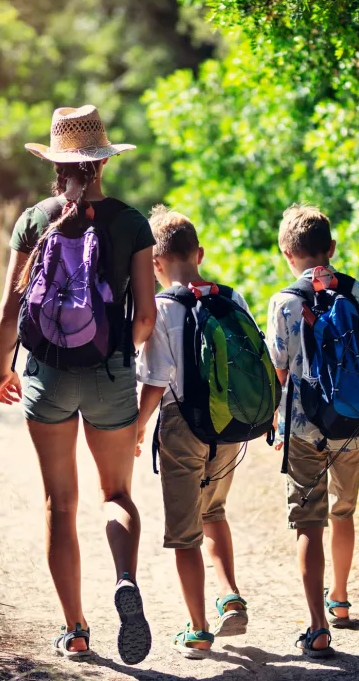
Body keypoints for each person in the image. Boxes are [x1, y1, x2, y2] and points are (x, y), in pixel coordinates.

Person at [0, 105, 156, 665]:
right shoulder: (133, 223)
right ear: (103, 162)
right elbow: (146, 320)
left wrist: (4, 370)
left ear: (56, 164)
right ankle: (126, 579)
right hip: (109, 375)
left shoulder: (33, 219)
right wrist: (117, 358)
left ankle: (77, 630)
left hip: (47, 377)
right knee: (117, 495)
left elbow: (8, 311)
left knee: (60, 505)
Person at [134, 207, 258, 658]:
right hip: (229, 429)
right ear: (199, 253)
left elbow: (155, 378)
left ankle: (199, 628)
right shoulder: (233, 298)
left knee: (185, 533)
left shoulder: (162, 308)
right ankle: (230, 595)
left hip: (182, 427)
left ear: (155, 263)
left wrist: (139, 426)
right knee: (215, 511)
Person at [266, 205, 359, 658]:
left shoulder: (284, 302)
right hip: (355, 422)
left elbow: (278, 370)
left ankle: (317, 627)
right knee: (345, 511)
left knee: (308, 523)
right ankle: (340, 598)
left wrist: (274, 421)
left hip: (304, 428)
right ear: (330, 249)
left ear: (286, 252)